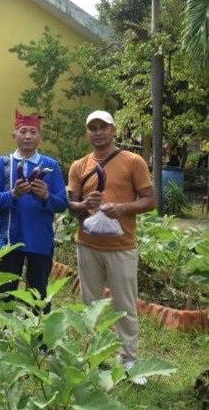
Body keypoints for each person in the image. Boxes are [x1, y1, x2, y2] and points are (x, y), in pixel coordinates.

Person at [68, 110, 154, 385]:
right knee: (90, 304)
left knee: (125, 304)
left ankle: (131, 360)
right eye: (92, 128)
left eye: (102, 127)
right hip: (87, 244)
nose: (97, 132)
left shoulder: (133, 161)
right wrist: (84, 205)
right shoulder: (79, 166)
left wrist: (122, 208)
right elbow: (72, 206)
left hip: (121, 246)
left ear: (113, 129)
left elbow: (150, 200)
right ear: (87, 133)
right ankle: (95, 356)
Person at [0, 109, 68, 312]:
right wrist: (13, 194)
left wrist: (46, 196)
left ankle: (41, 341)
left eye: (33, 131)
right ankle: (3, 337)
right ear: (15, 135)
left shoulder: (50, 165)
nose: (28, 136)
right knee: (6, 292)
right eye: (23, 131)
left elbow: (62, 203)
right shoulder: (3, 164)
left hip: (40, 239)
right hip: (11, 240)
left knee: (39, 294)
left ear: (40, 136)